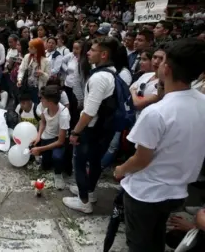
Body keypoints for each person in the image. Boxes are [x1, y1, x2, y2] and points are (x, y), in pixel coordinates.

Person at [114, 38, 205, 252]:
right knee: (155, 237)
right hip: (176, 191)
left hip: (146, 193)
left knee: (140, 243)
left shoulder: (156, 112)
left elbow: (141, 159)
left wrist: (121, 169)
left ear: (167, 68)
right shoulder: (201, 102)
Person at [64, 37, 120, 214]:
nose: (87, 52)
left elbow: (89, 112)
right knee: (95, 161)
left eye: (92, 50)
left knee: (80, 162)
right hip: (105, 129)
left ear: (103, 54)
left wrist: (75, 132)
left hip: (92, 129)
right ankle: (90, 191)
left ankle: (84, 201)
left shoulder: (99, 78)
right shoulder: (112, 72)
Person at [31, 86, 70, 189]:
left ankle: (58, 174)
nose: (40, 100)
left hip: (58, 140)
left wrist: (39, 149)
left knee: (57, 157)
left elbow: (61, 141)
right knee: (46, 166)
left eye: (42, 98)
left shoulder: (63, 114)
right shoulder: (44, 106)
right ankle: (46, 158)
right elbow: (43, 122)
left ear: (50, 102)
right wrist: (38, 136)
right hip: (46, 137)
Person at [17, 38, 50, 104]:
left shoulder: (46, 61)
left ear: (37, 49)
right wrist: (20, 79)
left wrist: (42, 74)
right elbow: (21, 69)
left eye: (31, 47)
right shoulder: (27, 57)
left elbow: (48, 78)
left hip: (37, 89)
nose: (28, 48)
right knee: (25, 105)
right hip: (26, 87)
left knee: (36, 107)